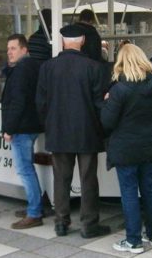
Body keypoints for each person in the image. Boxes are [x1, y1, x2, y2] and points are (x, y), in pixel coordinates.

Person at [37, 24, 110, 238]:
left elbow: (40, 102)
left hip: (58, 131)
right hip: (87, 132)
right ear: (83, 41)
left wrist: (49, 124)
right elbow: (99, 104)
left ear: (62, 42)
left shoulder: (48, 67)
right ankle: (89, 225)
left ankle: (61, 222)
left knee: (61, 178)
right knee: (88, 179)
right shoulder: (94, 67)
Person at [102, 43, 152, 253]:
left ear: (121, 62)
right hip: (148, 146)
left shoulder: (119, 89)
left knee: (129, 192)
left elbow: (107, 122)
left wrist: (106, 102)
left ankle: (133, 240)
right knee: (149, 189)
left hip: (125, 148)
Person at [3, 34, 46, 229]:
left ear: (24, 49)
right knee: (28, 168)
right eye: (8, 49)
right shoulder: (34, 66)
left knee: (24, 169)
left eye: (13, 48)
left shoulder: (21, 70)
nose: (9, 53)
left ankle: (34, 212)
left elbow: (18, 101)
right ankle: (35, 205)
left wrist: (9, 128)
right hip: (33, 123)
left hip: (21, 126)